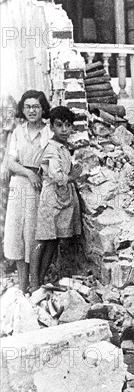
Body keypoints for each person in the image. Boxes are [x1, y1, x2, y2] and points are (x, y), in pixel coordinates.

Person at [3, 90, 51, 293]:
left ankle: (35, 283)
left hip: (39, 188)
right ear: (23, 110)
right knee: (17, 235)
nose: (32, 111)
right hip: (19, 187)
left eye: (36, 107)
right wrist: (28, 174)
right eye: (28, 107)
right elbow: (10, 162)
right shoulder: (17, 132)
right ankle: (22, 285)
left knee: (33, 234)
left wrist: (37, 175)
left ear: (42, 109)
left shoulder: (48, 132)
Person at [30, 106, 82, 291]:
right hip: (51, 198)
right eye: (59, 125)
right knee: (43, 239)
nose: (64, 130)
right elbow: (56, 175)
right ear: (51, 127)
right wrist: (73, 176)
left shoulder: (63, 148)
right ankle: (34, 281)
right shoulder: (52, 149)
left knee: (53, 240)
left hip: (61, 199)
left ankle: (41, 280)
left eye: (68, 125)